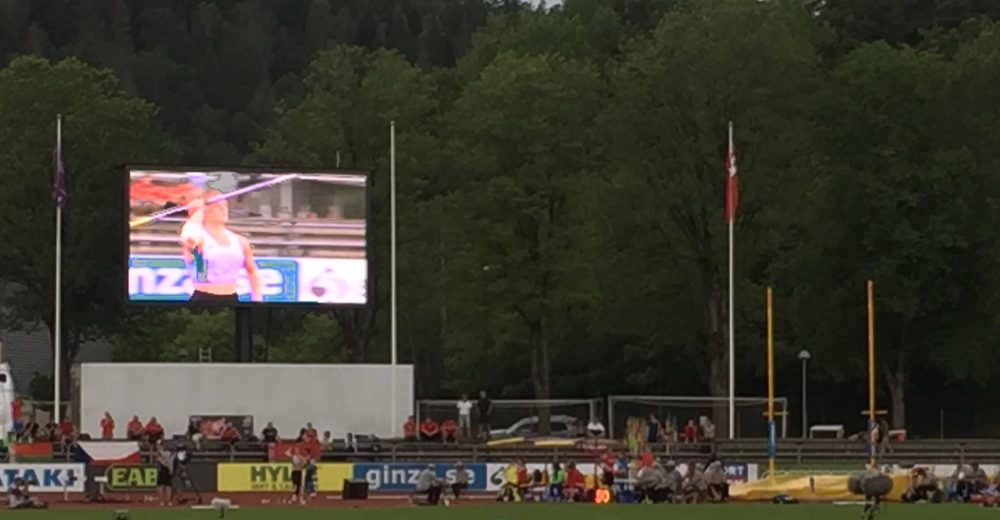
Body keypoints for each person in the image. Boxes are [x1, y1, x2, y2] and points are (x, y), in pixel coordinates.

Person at [180, 190, 261, 303]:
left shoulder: (240, 241)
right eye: (218, 206)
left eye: (225, 206)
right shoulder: (197, 238)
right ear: (205, 210)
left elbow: (251, 271)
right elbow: (201, 276)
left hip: (232, 299)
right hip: (203, 300)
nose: (224, 209)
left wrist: (257, 299)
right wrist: (202, 207)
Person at [155, 441, 175, 506]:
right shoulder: (160, 452)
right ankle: (163, 501)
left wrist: (169, 468)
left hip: (165, 469)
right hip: (162, 469)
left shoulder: (166, 452)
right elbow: (159, 459)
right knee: (162, 485)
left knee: (167, 485)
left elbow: (169, 460)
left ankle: (167, 501)